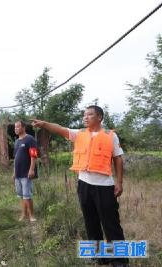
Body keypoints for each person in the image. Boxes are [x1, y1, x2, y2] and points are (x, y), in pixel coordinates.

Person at [32, 105, 128, 266]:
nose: (85, 117)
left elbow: (118, 159)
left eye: (89, 114)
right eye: (84, 115)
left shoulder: (111, 136)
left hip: (104, 187)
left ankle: (120, 261)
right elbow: (60, 129)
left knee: (111, 224)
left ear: (99, 117)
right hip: (84, 185)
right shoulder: (80, 134)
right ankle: (99, 256)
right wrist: (44, 124)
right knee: (91, 222)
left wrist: (119, 182)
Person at [12, 120, 38, 222]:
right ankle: (24, 214)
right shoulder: (17, 142)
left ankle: (32, 216)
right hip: (18, 174)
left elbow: (34, 155)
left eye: (18, 127)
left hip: (26, 173)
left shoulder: (30, 139)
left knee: (27, 195)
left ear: (23, 127)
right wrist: (14, 172)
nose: (16, 129)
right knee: (21, 195)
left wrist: (31, 170)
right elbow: (15, 158)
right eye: (15, 127)